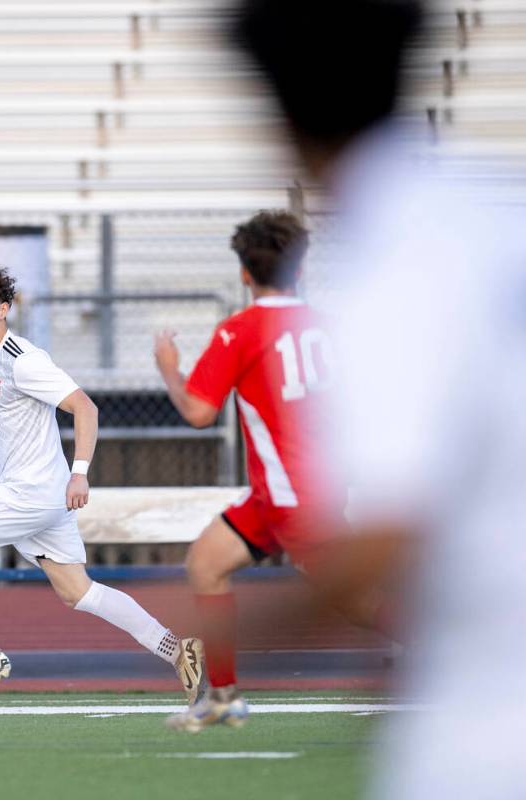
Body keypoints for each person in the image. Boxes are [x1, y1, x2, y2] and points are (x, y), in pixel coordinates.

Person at [232, 1, 526, 797]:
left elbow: (391, 528)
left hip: (485, 727)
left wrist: (229, 631)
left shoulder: (390, 264)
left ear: (282, 119)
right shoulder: (494, 219)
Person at [0, 259, 202, 698]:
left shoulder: (25, 360)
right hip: (41, 498)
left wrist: (80, 474)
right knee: (79, 592)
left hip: (31, 493)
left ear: (4, 309)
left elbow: (86, 408)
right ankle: (178, 650)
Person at [154, 210, 355, 732]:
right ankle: (222, 697)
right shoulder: (325, 325)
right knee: (206, 563)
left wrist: (169, 368)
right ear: (300, 267)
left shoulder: (241, 330)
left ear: (245, 272)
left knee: (355, 597)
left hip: (291, 497)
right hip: (295, 490)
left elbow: (199, 412)